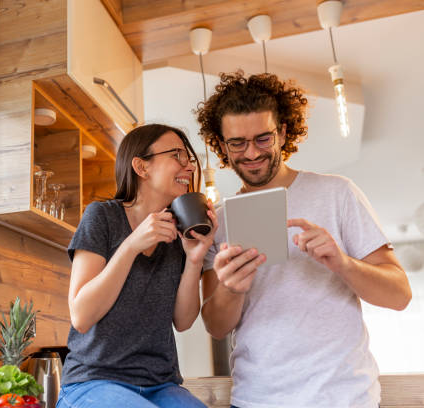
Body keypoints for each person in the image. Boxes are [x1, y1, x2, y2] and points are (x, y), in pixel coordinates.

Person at [196, 71, 412, 408]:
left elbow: (399, 295)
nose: (251, 153)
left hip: (344, 397)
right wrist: (230, 287)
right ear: (221, 145)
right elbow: (216, 327)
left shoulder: (337, 193)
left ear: (282, 132)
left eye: (263, 138)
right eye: (237, 143)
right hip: (258, 400)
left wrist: (342, 263)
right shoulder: (218, 222)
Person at [56, 124, 216, 408]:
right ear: (142, 167)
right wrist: (131, 246)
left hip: (162, 384)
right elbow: (81, 315)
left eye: (189, 158)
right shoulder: (102, 217)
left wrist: (194, 260)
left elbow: (183, 321)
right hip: (94, 381)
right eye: (177, 155)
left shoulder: (179, 230)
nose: (189, 166)